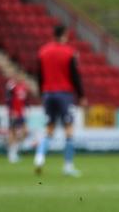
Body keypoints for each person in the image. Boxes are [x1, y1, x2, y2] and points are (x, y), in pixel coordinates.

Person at [34, 24, 86, 177]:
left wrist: (41, 93)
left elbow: (39, 75)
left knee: (49, 128)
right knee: (69, 129)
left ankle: (39, 158)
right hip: (64, 94)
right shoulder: (69, 53)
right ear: (64, 35)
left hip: (48, 94)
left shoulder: (43, 51)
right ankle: (68, 166)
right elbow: (75, 76)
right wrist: (81, 95)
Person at [5, 77, 30, 163]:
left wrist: (27, 108)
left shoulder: (23, 87)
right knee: (13, 132)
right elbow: (8, 99)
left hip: (21, 113)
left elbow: (24, 100)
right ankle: (11, 154)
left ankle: (14, 152)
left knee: (24, 132)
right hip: (14, 113)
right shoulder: (12, 86)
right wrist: (11, 111)